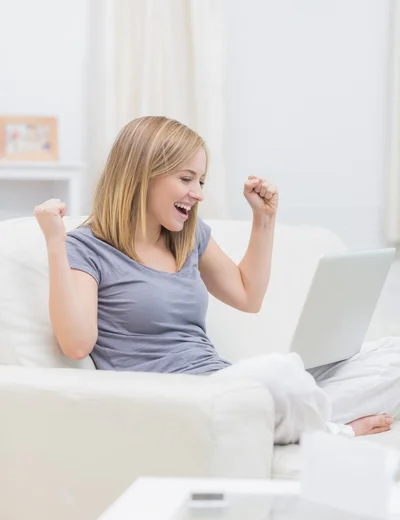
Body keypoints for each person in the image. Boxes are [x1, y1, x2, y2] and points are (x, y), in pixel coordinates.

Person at [34, 116, 399, 445]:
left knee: (391, 355)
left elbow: (247, 295)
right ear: (143, 174)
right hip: (179, 402)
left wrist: (264, 219)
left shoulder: (188, 236)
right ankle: (335, 428)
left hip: (226, 385)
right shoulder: (87, 247)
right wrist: (55, 241)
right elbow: (77, 344)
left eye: (202, 180)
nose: (199, 193)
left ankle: (294, 416)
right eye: (187, 178)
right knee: (279, 372)